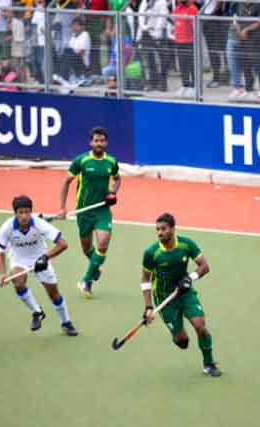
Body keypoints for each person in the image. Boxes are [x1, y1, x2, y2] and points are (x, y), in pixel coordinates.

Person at [140, 213, 221, 377]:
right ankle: (177, 333)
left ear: (173, 229)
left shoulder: (186, 244)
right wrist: (148, 307)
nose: (159, 233)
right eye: (157, 229)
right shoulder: (151, 252)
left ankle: (209, 364)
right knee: (182, 342)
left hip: (185, 293)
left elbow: (204, 266)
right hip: (164, 299)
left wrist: (190, 278)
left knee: (200, 326)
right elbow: (145, 280)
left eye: (163, 229)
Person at [0, 195, 78, 336]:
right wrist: (3, 273)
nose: (24, 216)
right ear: (15, 213)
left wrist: (45, 257)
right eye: (20, 212)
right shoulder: (7, 227)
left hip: (40, 258)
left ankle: (66, 322)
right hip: (19, 260)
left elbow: (63, 244)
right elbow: (0, 251)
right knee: (18, 281)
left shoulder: (39, 224)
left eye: (27, 212)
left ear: (31, 212)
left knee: (54, 294)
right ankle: (37, 312)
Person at [58, 127, 121, 298]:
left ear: (106, 143)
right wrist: (62, 208)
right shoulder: (82, 161)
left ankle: (86, 281)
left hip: (102, 210)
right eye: (96, 140)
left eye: (102, 140)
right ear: (91, 142)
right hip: (84, 211)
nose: (99, 143)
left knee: (103, 243)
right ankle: (95, 267)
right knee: (87, 249)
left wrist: (113, 192)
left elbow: (117, 179)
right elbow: (66, 182)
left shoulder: (111, 162)